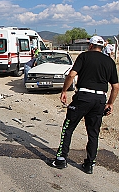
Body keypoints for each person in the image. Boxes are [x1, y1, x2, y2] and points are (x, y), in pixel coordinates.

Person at [51, 36, 119, 174]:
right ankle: (89, 164)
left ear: (90, 45)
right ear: (102, 47)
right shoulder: (110, 61)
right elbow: (116, 87)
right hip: (100, 99)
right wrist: (110, 103)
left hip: (83, 97)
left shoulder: (84, 56)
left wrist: (64, 91)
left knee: (68, 128)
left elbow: (71, 75)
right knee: (93, 133)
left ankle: (61, 159)